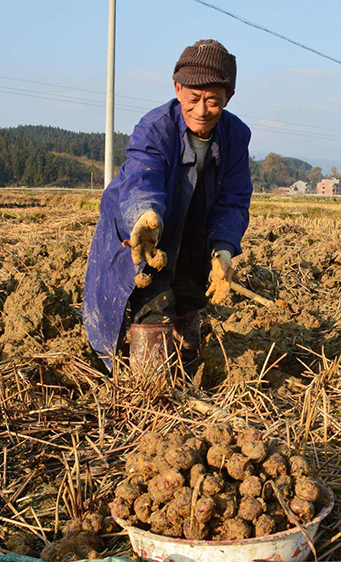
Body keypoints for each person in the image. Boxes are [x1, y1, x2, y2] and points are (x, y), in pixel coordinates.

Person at [82, 39, 252, 372]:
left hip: (194, 229)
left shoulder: (236, 136)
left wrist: (224, 250)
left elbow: (234, 198)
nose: (201, 111)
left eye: (213, 101)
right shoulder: (154, 128)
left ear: (228, 98)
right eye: (193, 99)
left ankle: (187, 368)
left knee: (190, 291)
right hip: (143, 230)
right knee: (152, 293)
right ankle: (148, 386)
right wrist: (146, 215)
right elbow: (142, 176)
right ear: (177, 89)